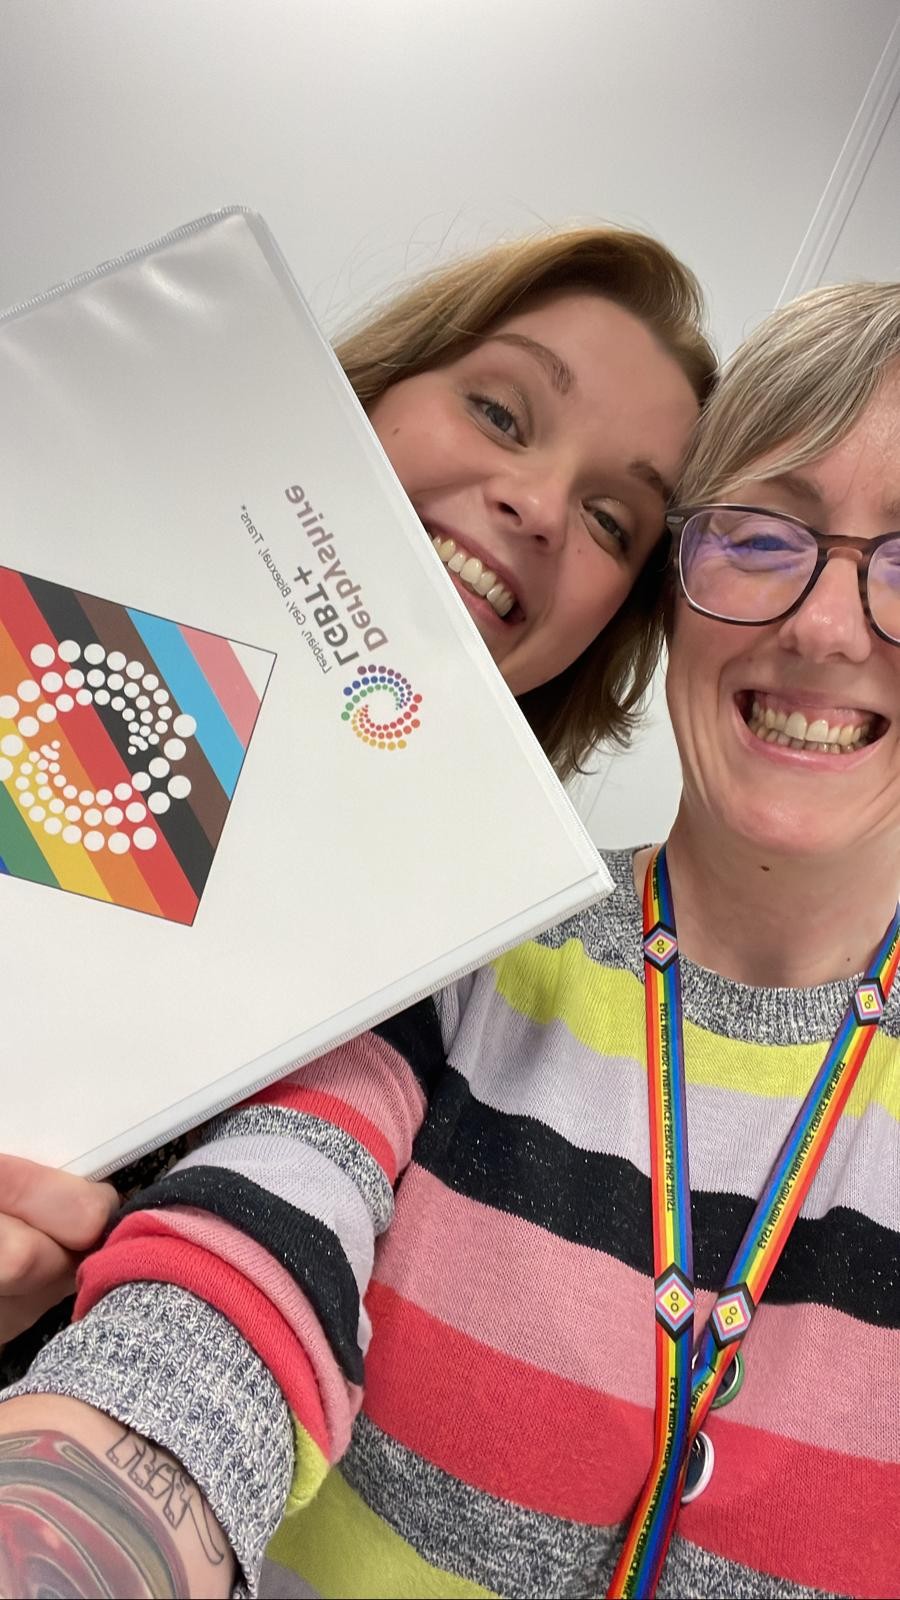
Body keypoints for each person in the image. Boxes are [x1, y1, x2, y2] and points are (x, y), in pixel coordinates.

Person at [1, 270, 898, 1596]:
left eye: (609, 514)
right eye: (761, 537)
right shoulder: (454, 955)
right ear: (676, 600)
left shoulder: (383, 879)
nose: (826, 623)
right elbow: (232, 1282)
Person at [0, 225, 712, 1371]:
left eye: (611, 520)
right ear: (373, 390)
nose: (536, 502)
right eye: (501, 411)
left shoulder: (455, 986)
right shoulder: (55, 567)